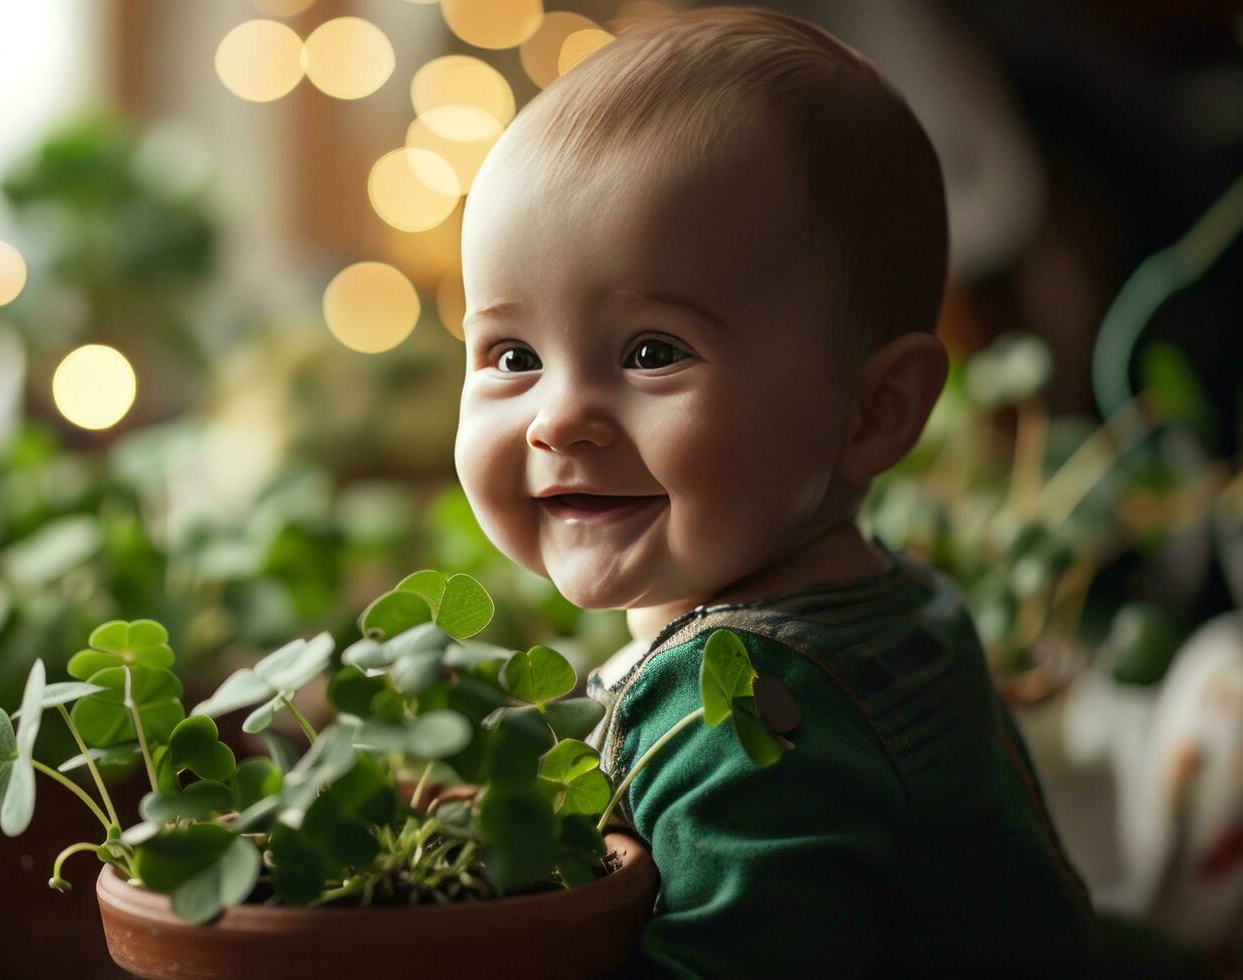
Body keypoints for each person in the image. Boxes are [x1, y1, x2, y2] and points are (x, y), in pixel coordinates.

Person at [452, 7, 1091, 975]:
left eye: (651, 351)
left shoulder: (748, 715)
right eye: (513, 354)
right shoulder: (894, 596)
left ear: (874, 409)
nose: (557, 418)